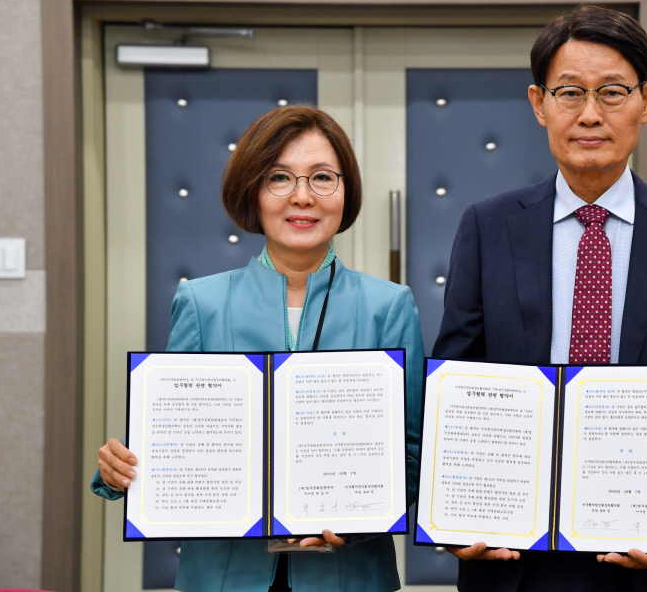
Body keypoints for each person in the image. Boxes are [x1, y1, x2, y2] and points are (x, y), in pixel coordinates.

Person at [432, 4, 647, 591]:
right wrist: (456, 511)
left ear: (646, 101)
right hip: (519, 558)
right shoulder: (488, 227)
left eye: (612, 92)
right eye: (569, 92)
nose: (590, 114)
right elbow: (458, 381)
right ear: (539, 103)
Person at [93, 105, 424, 592]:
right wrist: (119, 468)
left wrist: (356, 521)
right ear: (253, 190)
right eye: (279, 178)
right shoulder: (201, 302)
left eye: (322, 177)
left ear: (346, 191)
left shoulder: (388, 306)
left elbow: (412, 455)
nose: (302, 196)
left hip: (347, 574)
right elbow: (173, 439)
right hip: (223, 576)